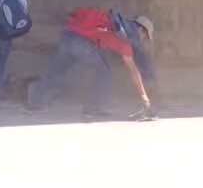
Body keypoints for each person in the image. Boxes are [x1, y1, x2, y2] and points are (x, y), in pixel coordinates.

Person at [26, 8, 158, 121]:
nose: (143, 39)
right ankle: (92, 109)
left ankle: (36, 104)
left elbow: (76, 14)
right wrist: (144, 98)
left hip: (66, 36)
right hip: (81, 43)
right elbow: (133, 71)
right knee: (104, 72)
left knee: (55, 70)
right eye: (145, 36)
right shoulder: (124, 36)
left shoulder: (110, 18)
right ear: (141, 29)